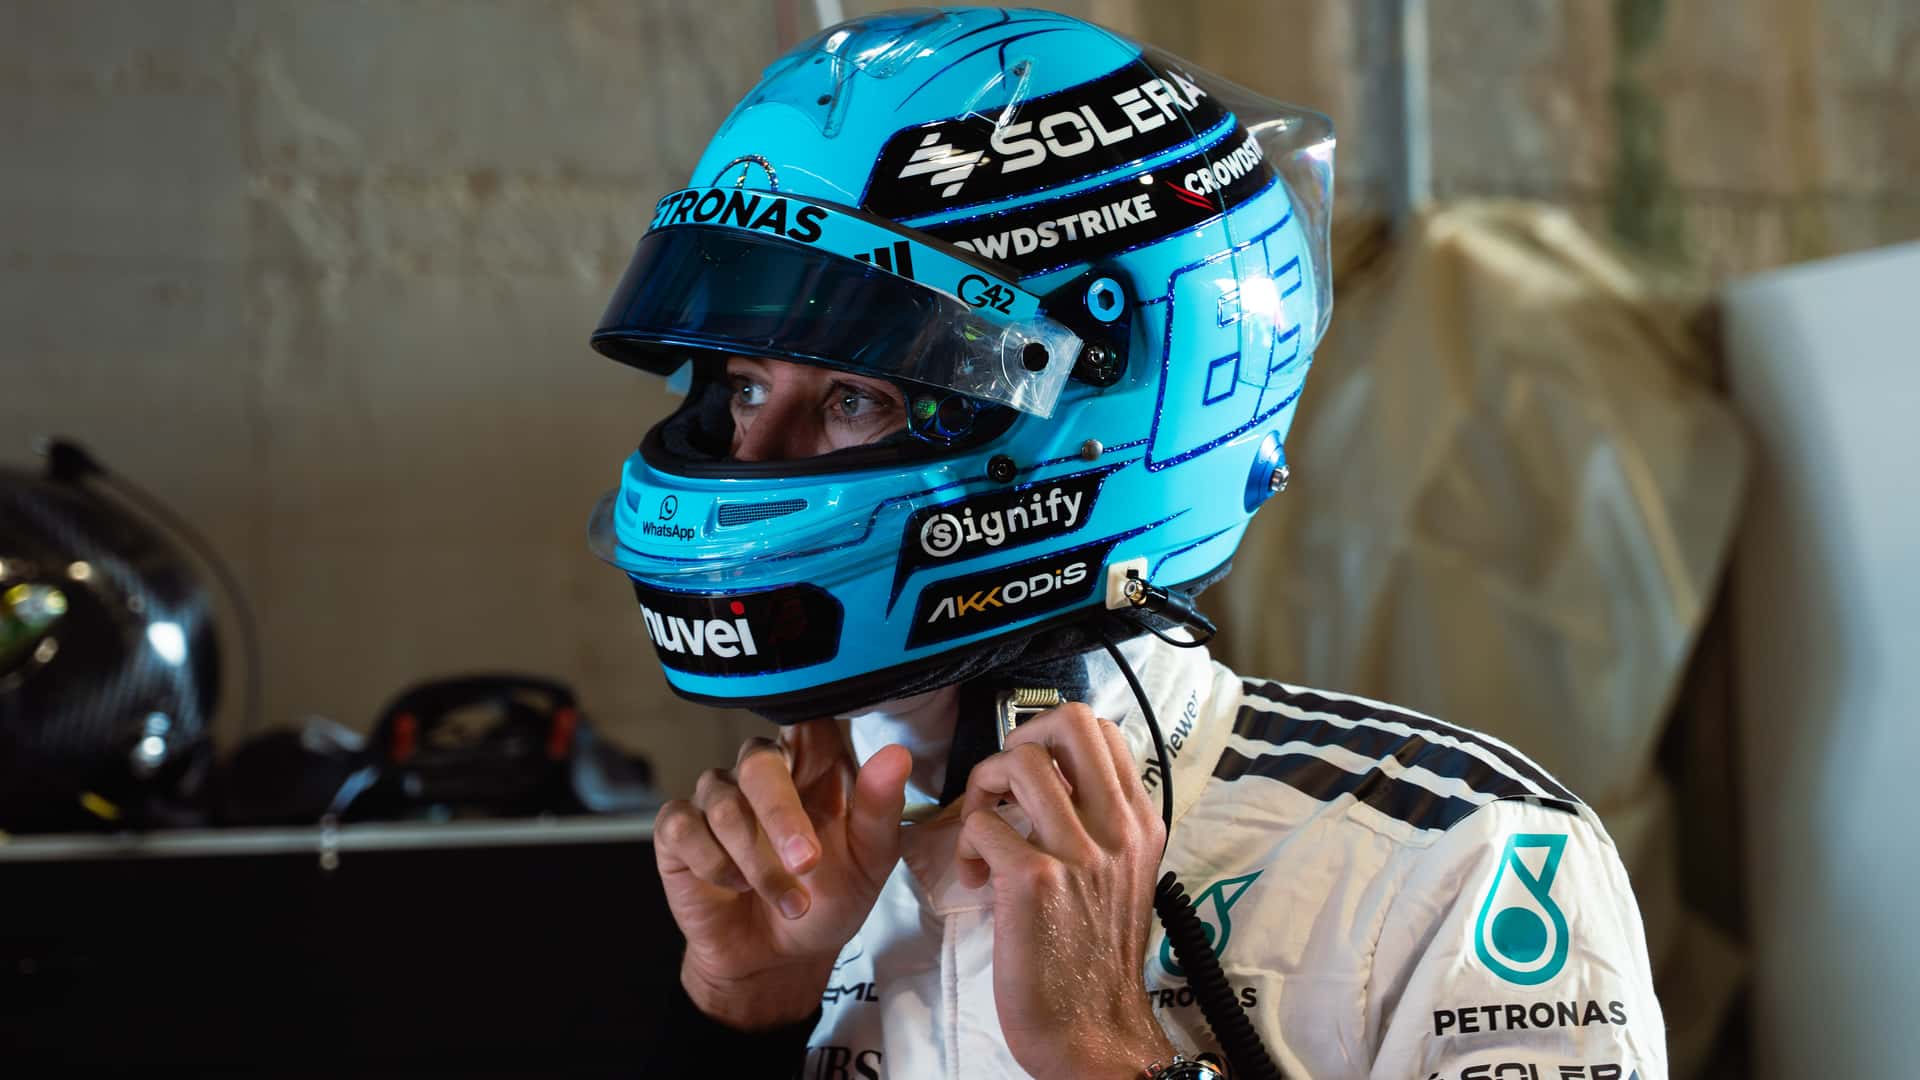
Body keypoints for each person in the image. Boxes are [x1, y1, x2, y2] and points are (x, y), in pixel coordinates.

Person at [585, 9, 1668, 1078]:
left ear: (1097, 412)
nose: (753, 454)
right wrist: (738, 1018)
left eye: (855, 397)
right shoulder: (777, 890)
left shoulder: (1463, 858)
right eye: (743, 386)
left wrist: (1113, 1055)